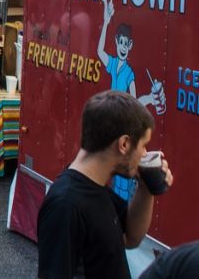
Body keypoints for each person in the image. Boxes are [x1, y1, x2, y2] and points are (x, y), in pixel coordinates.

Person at [38, 91, 173, 279]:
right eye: (143, 145)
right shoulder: (65, 205)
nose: (144, 153)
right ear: (124, 144)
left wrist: (146, 187)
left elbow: (131, 238)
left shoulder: (96, 186)